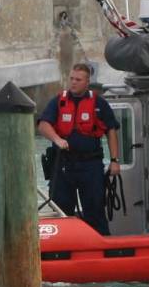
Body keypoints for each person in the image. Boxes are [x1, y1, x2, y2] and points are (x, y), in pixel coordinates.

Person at [37, 64, 121, 235]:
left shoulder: (99, 103)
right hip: (63, 166)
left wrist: (114, 161)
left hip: (90, 165)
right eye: (72, 79)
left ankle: (101, 244)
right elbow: (44, 124)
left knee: (95, 208)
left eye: (78, 80)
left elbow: (111, 130)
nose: (73, 83)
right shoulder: (59, 101)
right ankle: (64, 245)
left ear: (87, 82)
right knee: (61, 208)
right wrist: (57, 139)